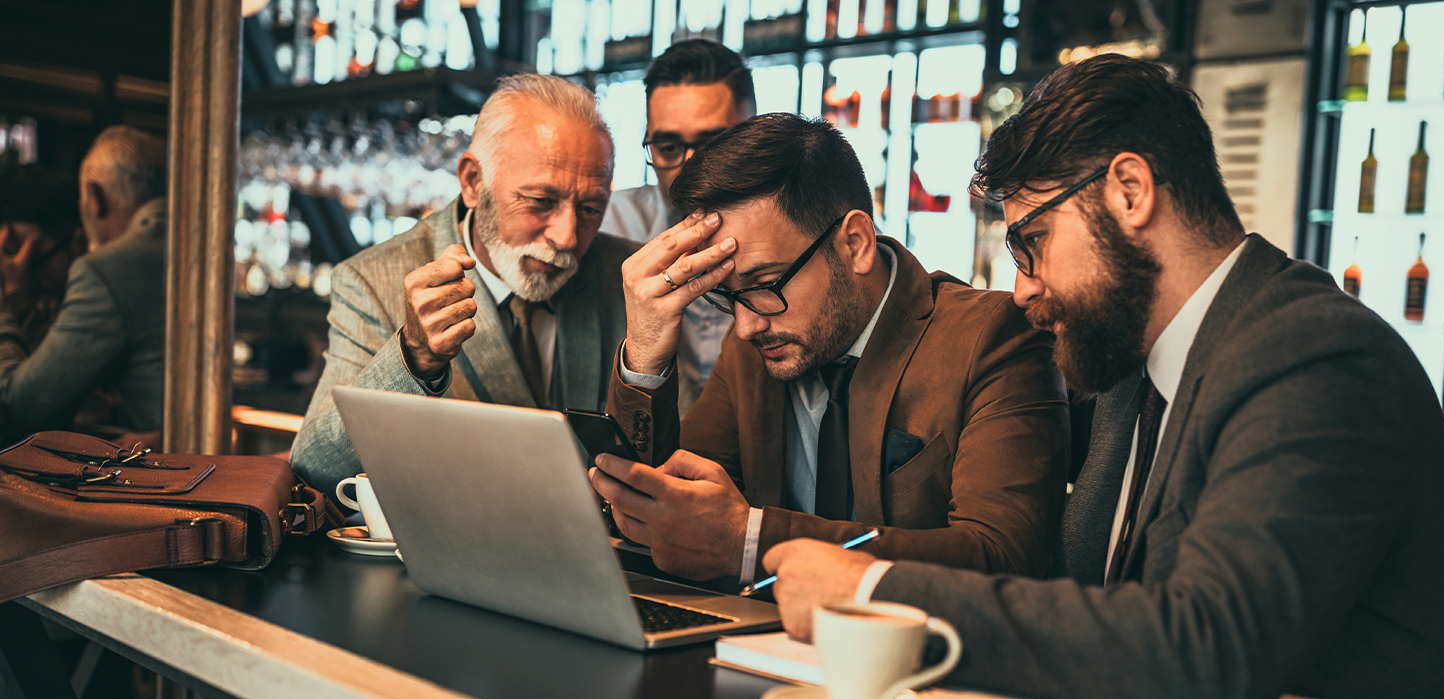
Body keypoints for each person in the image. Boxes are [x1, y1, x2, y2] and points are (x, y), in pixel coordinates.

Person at [763, 55, 1444, 699]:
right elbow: (1063, 589)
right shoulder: (1128, 370)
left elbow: (1211, 655)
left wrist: (877, 586)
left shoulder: (1318, 357)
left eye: (1031, 241)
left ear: (1130, 191)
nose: (1020, 288)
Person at [587, 112, 1069, 586]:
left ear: (856, 243)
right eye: (728, 294)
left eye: (766, 283)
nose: (745, 325)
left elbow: (1004, 557)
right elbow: (664, 519)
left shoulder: (994, 337)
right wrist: (645, 357)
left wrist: (750, 541)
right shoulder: (755, 343)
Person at [291, 74, 637, 496]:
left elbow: (676, 456)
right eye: (541, 202)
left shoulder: (628, 276)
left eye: (589, 208)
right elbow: (316, 469)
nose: (566, 237)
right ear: (473, 182)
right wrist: (414, 356)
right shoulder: (372, 281)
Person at [600, 39, 755, 413]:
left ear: (754, 136)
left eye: (712, 145)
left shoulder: (805, 233)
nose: (689, 169)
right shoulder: (605, 225)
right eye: (668, 148)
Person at [0, 126, 167, 442]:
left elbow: (19, 413)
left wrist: (6, 298)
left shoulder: (106, 271)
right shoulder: (203, 240)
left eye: (35, 261)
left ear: (94, 198)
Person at [0, 165, 89, 353]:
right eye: (11, 259)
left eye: (32, 260)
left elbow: (54, 370)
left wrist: (16, 295)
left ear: (81, 241)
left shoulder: (95, 300)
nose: (22, 274)